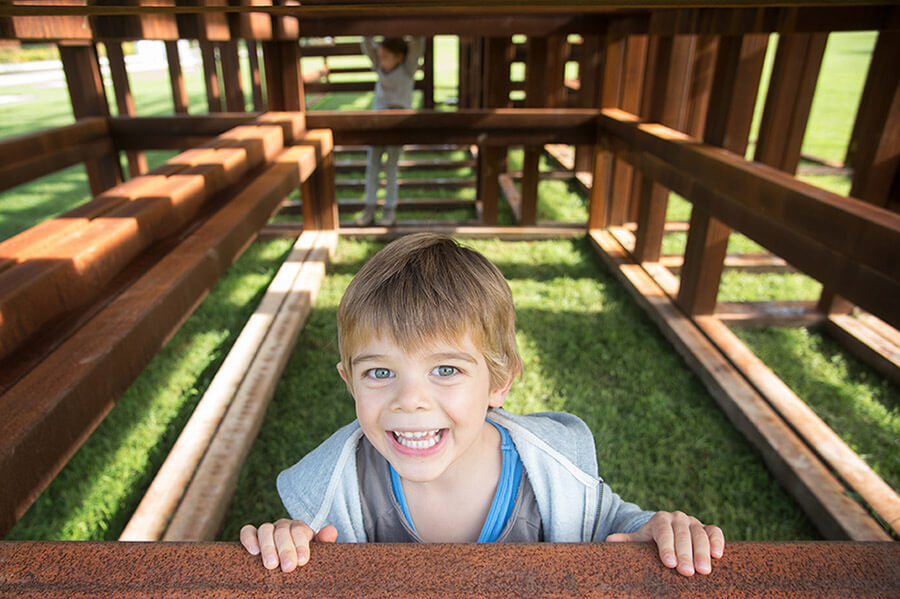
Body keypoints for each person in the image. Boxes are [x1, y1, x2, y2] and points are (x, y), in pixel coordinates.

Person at [241, 233, 725, 577]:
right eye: (380, 372)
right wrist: (287, 544)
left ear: (500, 381)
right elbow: (303, 564)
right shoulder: (334, 497)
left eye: (446, 370)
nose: (410, 401)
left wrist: (654, 529)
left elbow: (613, 525)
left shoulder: (553, 478)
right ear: (350, 381)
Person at [357, 36, 425, 227]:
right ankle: (369, 208)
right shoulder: (379, 67)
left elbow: (418, 44)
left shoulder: (407, 69)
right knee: (373, 165)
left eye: (386, 56)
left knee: (391, 167)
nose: (382, 60)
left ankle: (389, 210)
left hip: (397, 125)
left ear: (400, 57)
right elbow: (366, 43)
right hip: (378, 124)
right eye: (380, 56)